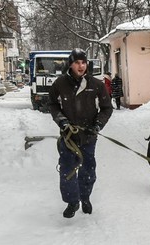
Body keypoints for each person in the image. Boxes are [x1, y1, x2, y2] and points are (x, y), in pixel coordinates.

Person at [48, 48, 113, 218]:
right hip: (68, 136)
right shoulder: (59, 84)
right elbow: (52, 105)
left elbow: (107, 108)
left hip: (89, 136)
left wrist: (98, 124)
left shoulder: (96, 85)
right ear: (71, 64)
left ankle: (85, 198)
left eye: (83, 62)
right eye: (77, 62)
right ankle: (72, 201)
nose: (81, 66)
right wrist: (62, 120)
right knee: (67, 169)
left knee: (88, 170)